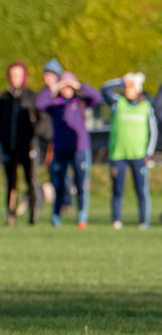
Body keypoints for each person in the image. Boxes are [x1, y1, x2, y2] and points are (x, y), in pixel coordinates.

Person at [36, 71, 101, 228]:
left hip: (80, 148)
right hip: (61, 148)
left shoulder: (80, 102)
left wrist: (79, 85)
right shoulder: (56, 104)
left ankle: (82, 216)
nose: (67, 89)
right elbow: (39, 104)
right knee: (59, 184)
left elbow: (97, 97)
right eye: (64, 86)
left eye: (69, 86)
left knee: (81, 184)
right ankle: (56, 215)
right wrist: (54, 87)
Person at [102, 72, 156, 229]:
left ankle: (143, 222)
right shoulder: (118, 103)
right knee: (118, 190)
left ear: (138, 89)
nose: (127, 90)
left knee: (141, 190)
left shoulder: (146, 106)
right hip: (118, 154)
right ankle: (116, 220)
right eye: (126, 87)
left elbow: (153, 131)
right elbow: (105, 89)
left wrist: (149, 153)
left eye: (130, 87)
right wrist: (122, 81)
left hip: (139, 155)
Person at [0, 61, 39, 226]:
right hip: (9, 148)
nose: (14, 79)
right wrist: (1, 138)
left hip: (28, 147)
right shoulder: (4, 98)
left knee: (31, 181)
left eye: (18, 75)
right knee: (11, 183)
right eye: (12, 75)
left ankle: (33, 215)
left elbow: (40, 121)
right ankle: (10, 215)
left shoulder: (31, 97)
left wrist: (34, 137)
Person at [39, 58, 64, 211]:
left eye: (50, 75)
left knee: (62, 173)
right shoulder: (45, 94)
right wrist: (50, 90)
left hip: (60, 141)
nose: (47, 78)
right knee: (53, 172)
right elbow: (39, 104)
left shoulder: (62, 95)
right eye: (46, 75)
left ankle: (65, 202)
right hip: (47, 141)